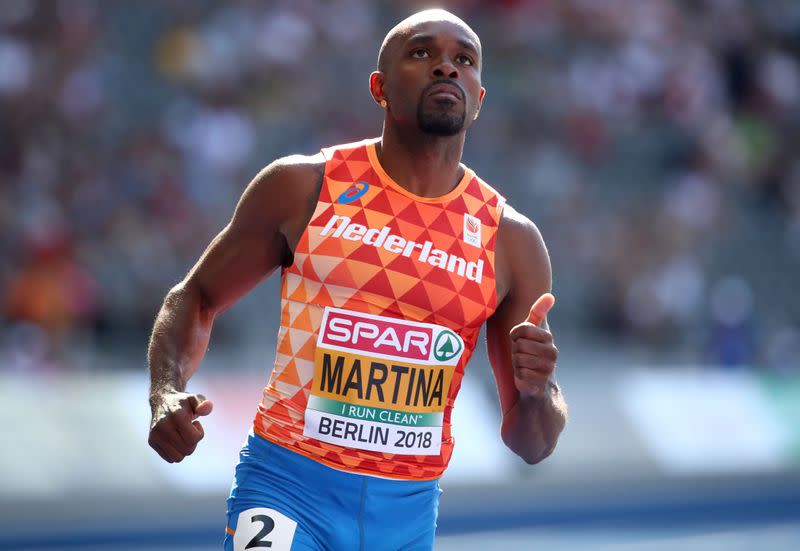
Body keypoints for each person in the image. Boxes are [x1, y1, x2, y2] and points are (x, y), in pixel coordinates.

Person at [147, 9, 567, 551]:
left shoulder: (511, 240)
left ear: (480, 98)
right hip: (286, 488)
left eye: (464, 61)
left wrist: (537, 393)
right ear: (380, 88)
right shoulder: (303, 186)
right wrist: (165, 391)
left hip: (406, 518)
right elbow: (196, 298)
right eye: (422, 54)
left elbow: (532, 445)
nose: (446, 69)